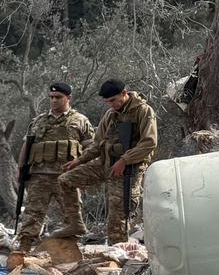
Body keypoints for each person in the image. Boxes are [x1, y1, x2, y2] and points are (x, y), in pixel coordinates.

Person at [59, 79, 158, 244]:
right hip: (105, 164)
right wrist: (80, 160)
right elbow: (97, 144)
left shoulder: (143, 111)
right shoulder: (111, 114)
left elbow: (149, 143)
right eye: (107, 102)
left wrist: (125, 160)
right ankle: (75, 225)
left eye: (113, 100)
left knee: (117, 218)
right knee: (65, 180)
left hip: (128, 170)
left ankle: (118, 257)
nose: (111, 105)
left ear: (124, 93)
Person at [15, 82, 94, 252]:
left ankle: (71, 251)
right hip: (39, 175)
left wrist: (85, 171)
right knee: (32, 213)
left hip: (67, 177)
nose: (54, 101)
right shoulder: (38, 121)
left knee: (71, 213)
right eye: (51, 97)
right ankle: (24, 248)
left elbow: (90, 148)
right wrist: (20, 168)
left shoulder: (80, 121)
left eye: (58, 97)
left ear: (68, 98)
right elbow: (26, 146)